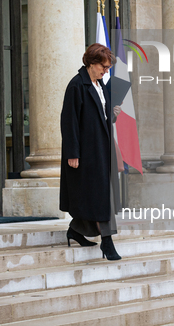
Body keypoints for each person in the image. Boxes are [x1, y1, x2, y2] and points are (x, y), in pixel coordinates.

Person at [60, 43, 122, 261]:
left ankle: (76, 230)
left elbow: (101, 119)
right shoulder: (77, 86)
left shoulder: (100, 85)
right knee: (100, 199)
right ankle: (107, 242)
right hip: (85, 154)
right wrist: (73, 153)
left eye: (107, 68)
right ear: (92, 63)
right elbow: (69, 123)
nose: (106, 71)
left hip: (101, 151)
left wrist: (112, 113)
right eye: (104, 67)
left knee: (98, 197)